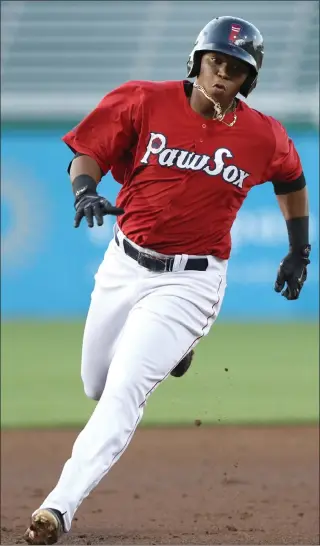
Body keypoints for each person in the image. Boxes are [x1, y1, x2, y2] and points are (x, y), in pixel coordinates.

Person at [24, 15, 311, 545]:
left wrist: (299, 249)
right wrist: (84, 189)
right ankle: (176, 353)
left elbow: (292, 178)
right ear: (197, 61)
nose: (222, 74)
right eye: (215, 61)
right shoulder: (144, 100)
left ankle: (57, 508)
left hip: (190, 282)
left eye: (236, 68)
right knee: (95, 382)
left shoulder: (261, 133)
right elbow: (87, 151)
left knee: (123, 393)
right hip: (124, 263)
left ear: (250, 79)